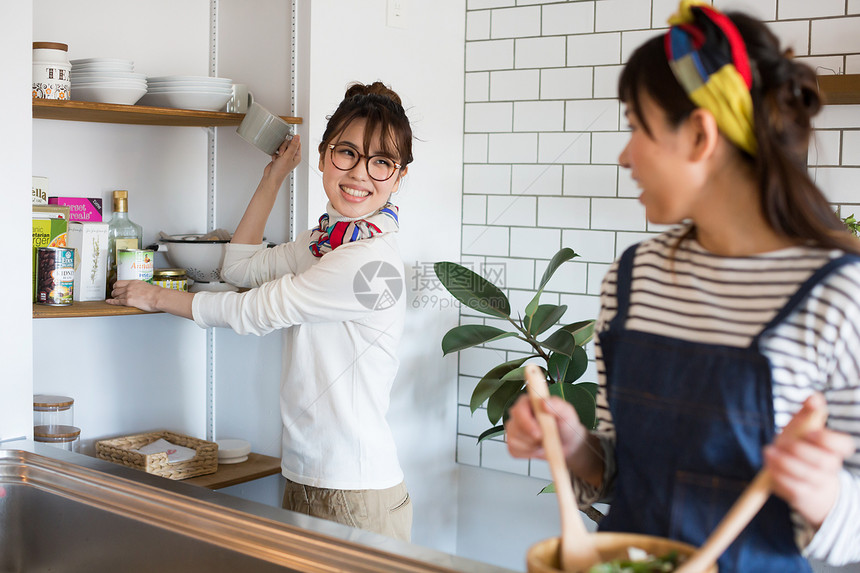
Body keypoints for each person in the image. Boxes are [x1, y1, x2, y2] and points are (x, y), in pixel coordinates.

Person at [504, 1, 860, 570]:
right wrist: (574, 446)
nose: (625, 156)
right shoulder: (633, 277)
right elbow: (622, 471)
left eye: (635, 128)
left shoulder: (838, 297)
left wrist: (822, 494)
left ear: (699, 134)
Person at [108, 81, 415, 541]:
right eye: (347, 153)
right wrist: (273, 177)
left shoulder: (368, 261)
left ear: (398, 177)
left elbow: (256, 310)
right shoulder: (324, 244)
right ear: (323, 156)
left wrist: (156, 297)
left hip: (354, 490)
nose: (359, 174)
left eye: (381, 162)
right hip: (308, 474)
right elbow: (240, 267)